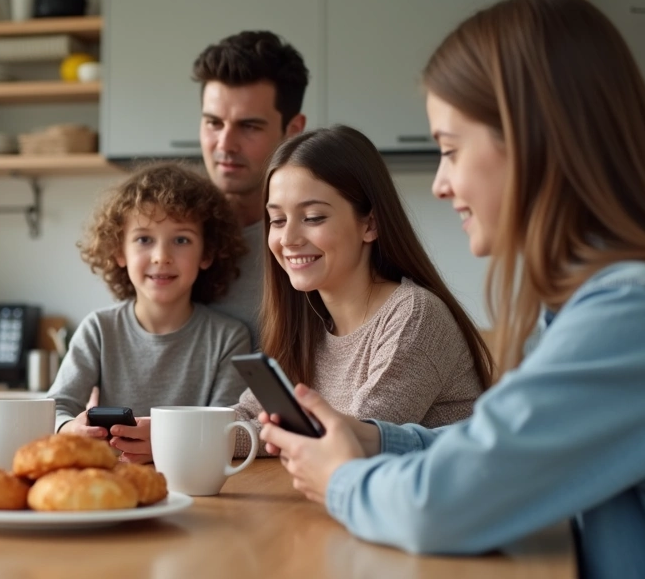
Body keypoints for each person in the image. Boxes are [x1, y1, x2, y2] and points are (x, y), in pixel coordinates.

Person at [259, 0, 645, 578]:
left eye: (450, 151)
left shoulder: (635, 313)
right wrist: (375, 439)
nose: (440, 185)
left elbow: (449, 504)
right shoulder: (595, 302)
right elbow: (494, 450)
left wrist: (344, 480)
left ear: (533, 140)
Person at [110, 126, 492, 462]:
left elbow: (347, 443)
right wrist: (168, 434)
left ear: (370, 224)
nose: (288, 239)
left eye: (313, 217)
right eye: (277, 219)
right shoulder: (307, 320)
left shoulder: (413, 316)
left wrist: (219, 438)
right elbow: (250, 418)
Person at [49, 162, 250, 442]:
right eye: (144, 239)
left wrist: (162, 441)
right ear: (119, 251)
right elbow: (56, 407)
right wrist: (70, 428)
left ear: (207, 253)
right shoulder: (99, 329)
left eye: (181, 240)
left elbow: (223, 428)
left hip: (192, 479)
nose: (161, 256)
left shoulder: (229, 338)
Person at [193, 30, 310, 347]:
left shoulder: (309, 243)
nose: (225, 144)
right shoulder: (170, 233)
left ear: (292, 130)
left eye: (249, 126)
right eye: (213, 123)